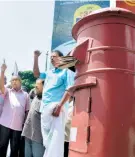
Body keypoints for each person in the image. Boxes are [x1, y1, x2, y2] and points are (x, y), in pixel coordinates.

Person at [33, 50, 73, 157]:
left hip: (57, 109)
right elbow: (36, 74)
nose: (51, 58)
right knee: (47, 142)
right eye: (50, 57)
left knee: (56, 141)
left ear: (61, 58)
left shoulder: (67, 71)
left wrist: (60, 106)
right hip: (44, 109)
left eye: (54, 56)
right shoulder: (49, 72)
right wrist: (36, 57)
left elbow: (69, 89)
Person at [0, 63, 29, 157]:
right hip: (4, 124)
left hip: (18, 127)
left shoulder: (26, 95)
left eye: (16, 80)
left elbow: (27, 111)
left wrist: (25, 125)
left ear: (20, 82)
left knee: (14, 149)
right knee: (2, 147)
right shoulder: (7, 92)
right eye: (12, 80)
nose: (14, 82)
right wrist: (3, 71)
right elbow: (1, 86)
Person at [22, 78, 45, 157]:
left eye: (37, 87)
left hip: (38, 137)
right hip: (28, 133)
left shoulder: (47, 101)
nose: (35, 88)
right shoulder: (35, 96)